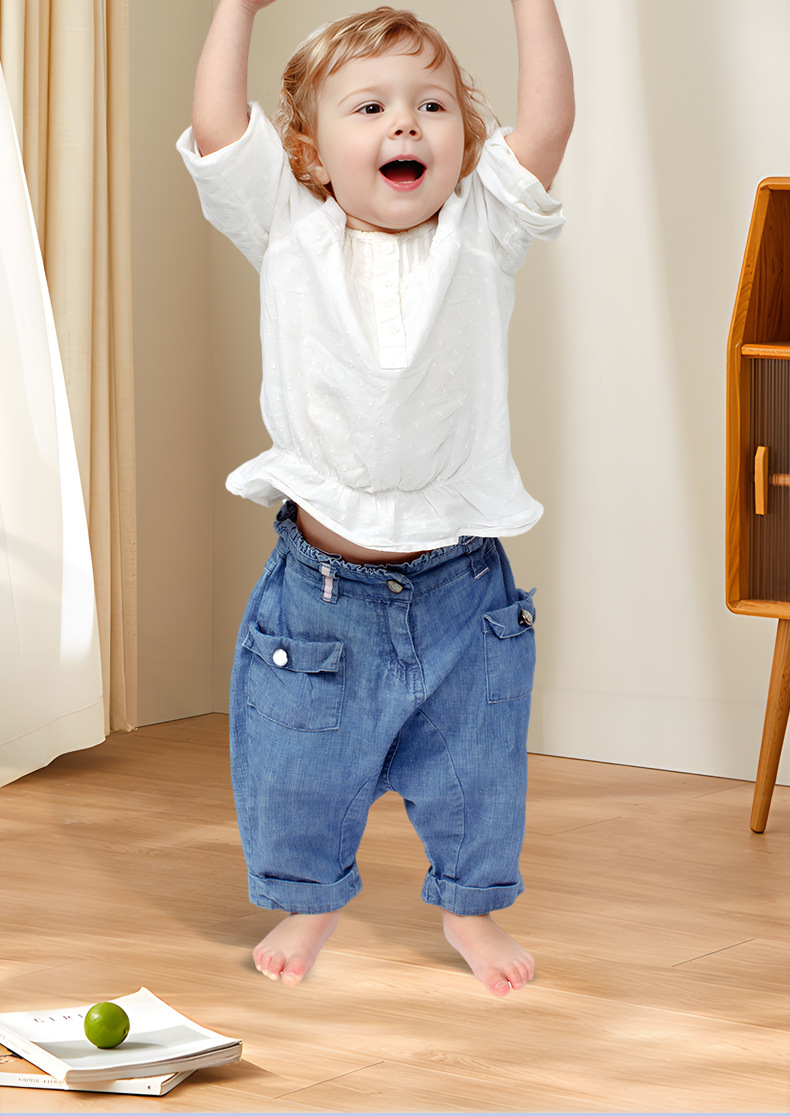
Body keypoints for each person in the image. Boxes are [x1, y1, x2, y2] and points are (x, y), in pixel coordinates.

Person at [178, 0, 573, 997]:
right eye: (370, 107)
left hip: (462, 586)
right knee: (297, 766)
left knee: (476, 769)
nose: (406, 122)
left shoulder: (480, 232)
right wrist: (238, 9)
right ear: (310, 156)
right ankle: (309, 900)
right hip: (320, 595)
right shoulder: (287, 228)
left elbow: (547, 126)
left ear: (463, 142)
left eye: (431, 105)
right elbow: (221, 131)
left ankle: (470, 909)